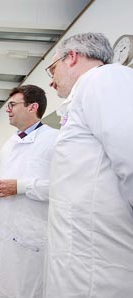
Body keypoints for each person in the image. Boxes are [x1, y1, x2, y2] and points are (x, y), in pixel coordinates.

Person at [44, 32, 133, 297]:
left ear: (72, 57)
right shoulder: (88, 92)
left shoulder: (107, 78)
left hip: (99, 266)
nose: (51, 81)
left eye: (52, 69)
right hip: (83, 257)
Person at [0, 85, 58, 298]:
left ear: (33, 107)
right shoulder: (9, 143)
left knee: (22, 290)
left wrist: (20, 187)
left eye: (12, 105)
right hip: (3, 231)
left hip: (31, 237)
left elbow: (64, 187)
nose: (8, 110)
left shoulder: (55, 139)